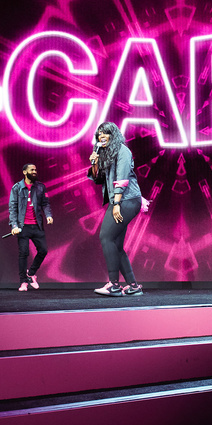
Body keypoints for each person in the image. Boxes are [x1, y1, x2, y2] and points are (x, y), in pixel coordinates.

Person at [87, 121, 145, 297]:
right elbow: (97, 179)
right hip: (120, 200)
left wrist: (117, 204)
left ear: (113, 135)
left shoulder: (122, 151)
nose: (101, 136)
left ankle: (113, 285)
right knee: (116, 244)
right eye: (99, 134)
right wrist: (94, 163)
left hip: (126, 200)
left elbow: (122, 179)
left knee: (106, 237)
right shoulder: (105, 154)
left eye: (105, 133)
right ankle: (133, 286)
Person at [8, 163, 54, 291]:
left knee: (43, 250)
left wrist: (48, 215)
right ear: (24, 172)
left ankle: (31, 273)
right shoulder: (17, 188)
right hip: (23, 227)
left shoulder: (40, 187)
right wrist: (14, 225)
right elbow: (12, 208)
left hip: (37, 225)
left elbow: (46, 203)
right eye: (32, 170)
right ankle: (23, 282)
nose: (34, 171)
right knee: (23, 253)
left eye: (35, 169)